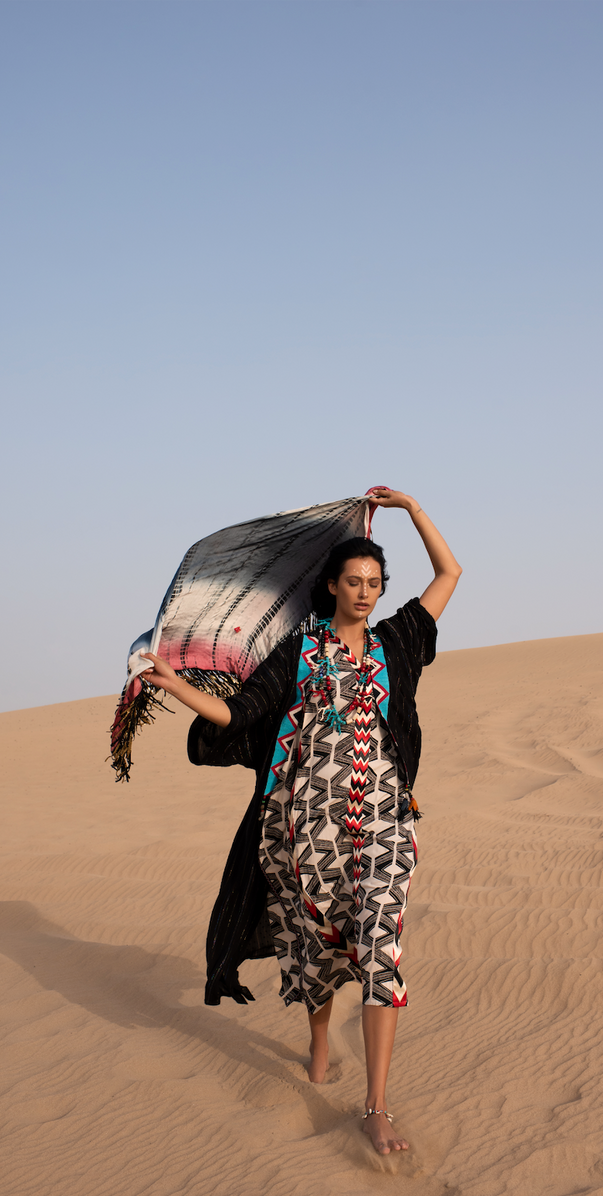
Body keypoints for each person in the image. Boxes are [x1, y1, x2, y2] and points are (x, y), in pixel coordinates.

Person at [139, 488, 461, 1155]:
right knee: (318, 951)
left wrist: (412, 509)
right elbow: (239, 714)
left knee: (378, 949)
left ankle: (376, 1104)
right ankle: (318, 1036)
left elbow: (450, 574)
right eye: (355, 581)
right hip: (305, 829)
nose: (367, 592)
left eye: (375, 582)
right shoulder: (297, 653)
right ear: (332, 585)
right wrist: (175, 687)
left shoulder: (398, 641)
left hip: (384, 825)